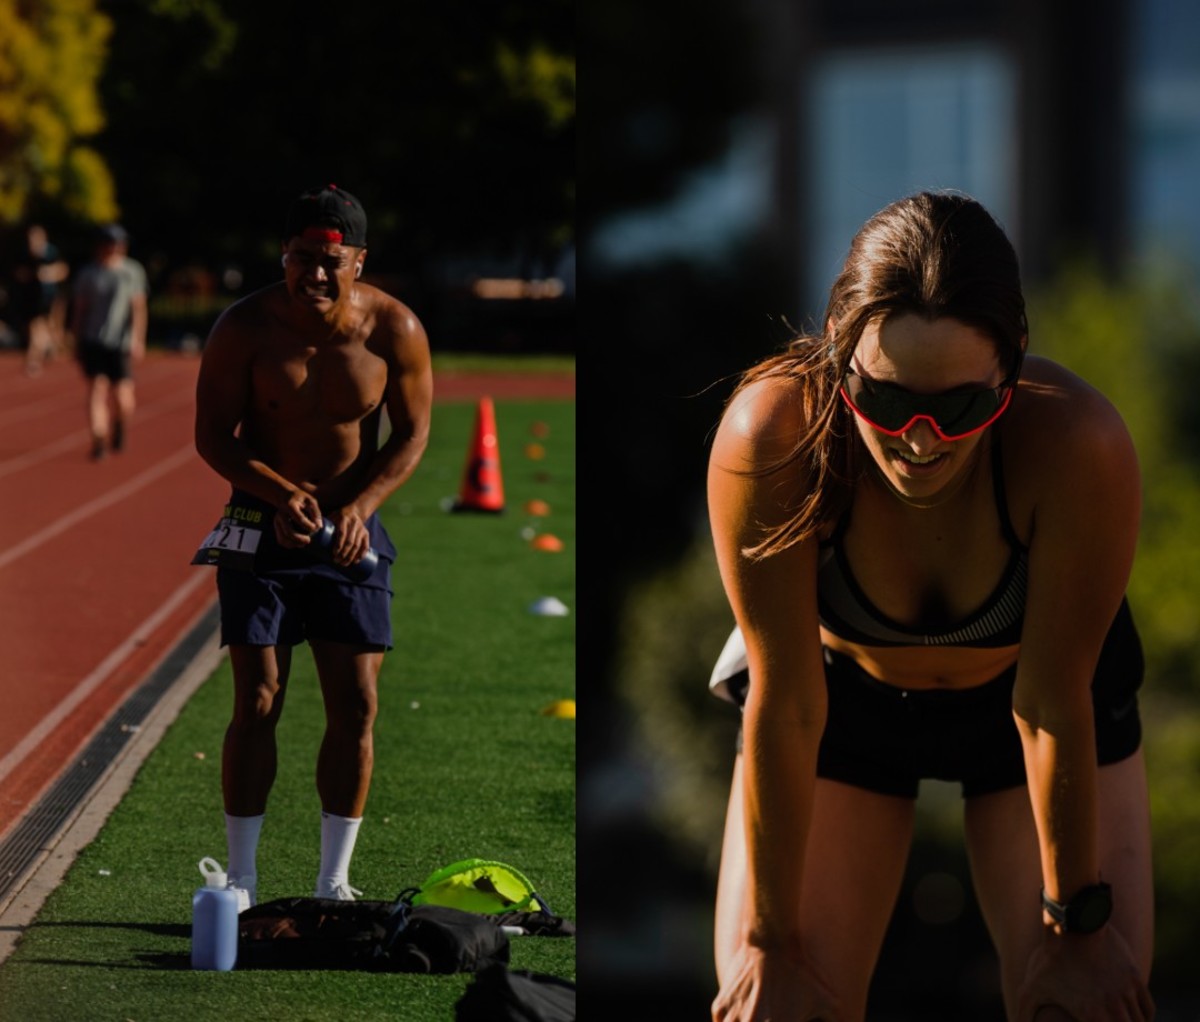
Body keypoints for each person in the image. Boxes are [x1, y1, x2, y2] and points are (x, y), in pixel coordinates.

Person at [706, 192, 1154, 1022]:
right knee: (776, 1005)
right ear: (840, 353)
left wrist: (1078, 927)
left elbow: (1053, 707)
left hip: (1033, 706)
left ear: (1012, 365)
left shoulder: (1076, 447)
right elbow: (789, 702)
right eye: (884, 400)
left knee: (1078, 1007)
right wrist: (769, 942)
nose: (919, 441)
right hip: (838, 705)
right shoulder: (771, 435)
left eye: (960, 408)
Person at [193, 184, 433, 904]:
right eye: (302, 258)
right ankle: (241, 879)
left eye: (332, 261)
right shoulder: (244, 328)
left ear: (359, 261)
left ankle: (335, 882)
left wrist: (361, 506)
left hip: (349, 535)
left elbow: (414, 433)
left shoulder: (396, 329)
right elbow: (211, 436)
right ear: (284, 255)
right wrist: (277, 493)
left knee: (357, 704)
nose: (316, 276)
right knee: (258, 698)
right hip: (260, 524)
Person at [70, 223, 148, 459]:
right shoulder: (88, 274)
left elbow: (138, 307)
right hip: (93, 339)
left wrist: (138, 338)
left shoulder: (132, 271)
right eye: (111, 243)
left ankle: (120, 425)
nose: (115, 248)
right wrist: (76, 339)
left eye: (119, 243)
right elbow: (80, 310)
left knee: (123, 398)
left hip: (121, 342)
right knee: (96, 388)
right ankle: (99, 440)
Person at [13, 223, 70, 375]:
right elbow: (18, 273)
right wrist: (30, 275)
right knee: (34, 328)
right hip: (30, 297)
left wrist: (49, 273)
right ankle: (46, 348)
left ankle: (33, 359)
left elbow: (63, 270)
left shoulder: (51, 252)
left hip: (48, 297)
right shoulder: (24, 254)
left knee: (39, 327)